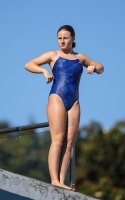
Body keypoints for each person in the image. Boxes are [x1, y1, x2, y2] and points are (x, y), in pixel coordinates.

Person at [25, 25, 104, 191]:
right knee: (58, 139)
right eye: (59, 38)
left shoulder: (80, 57)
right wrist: (43, 71)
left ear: (73, 38)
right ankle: (54, 180)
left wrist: (94, 68)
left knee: (69, 143)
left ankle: (62, 182)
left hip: (74, 101)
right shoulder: (53, 55)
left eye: (65, 38)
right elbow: (29, 64)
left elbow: (100, 67)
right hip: (57, 98)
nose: (62, 41)